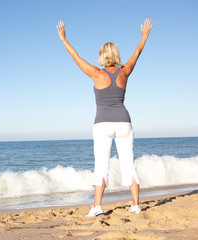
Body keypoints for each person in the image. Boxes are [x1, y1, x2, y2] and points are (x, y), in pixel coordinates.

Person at [56, 19, 153, 217]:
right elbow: (137, 53)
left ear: (102, 55)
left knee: (101, 164)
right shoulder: (124, 71)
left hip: (102, 124)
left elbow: (75, 56)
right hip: (124, 122)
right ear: (116, 55)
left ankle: (97, 206)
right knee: (129, 163)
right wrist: (144, 36)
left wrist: (64, 38)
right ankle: (135, 205)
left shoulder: (96, 73)